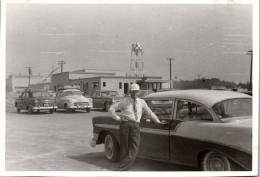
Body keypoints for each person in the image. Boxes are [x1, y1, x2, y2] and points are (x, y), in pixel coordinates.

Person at [108, 83, 166, 171]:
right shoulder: (125, 101)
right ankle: (126, 168)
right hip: (125, 125)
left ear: (139, 92)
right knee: (124, 148)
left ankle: (121, 168)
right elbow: (111, 109)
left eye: (136, 92)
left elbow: (149, 113)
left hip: (135, 126)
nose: (135, 94)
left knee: (135, 148)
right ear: (130, 92)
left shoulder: (142, 102)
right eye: (133, 92)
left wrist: (158, 122)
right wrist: (118, 118)